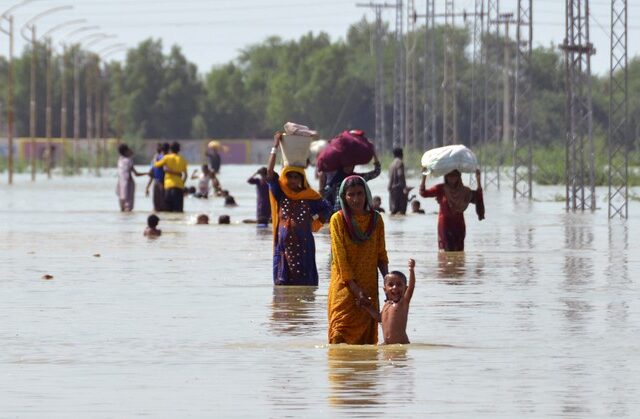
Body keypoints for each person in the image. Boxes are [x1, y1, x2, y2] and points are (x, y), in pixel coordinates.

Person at [328, 175, 389, 344]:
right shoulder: (337, 220)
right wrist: (355, 290)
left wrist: (388, 281)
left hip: (368, 287)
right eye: (351, 195)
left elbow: (381, 255)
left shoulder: (376, 220)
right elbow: (340, 259)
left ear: (366, 194)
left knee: (366, 343)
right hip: (345, 288)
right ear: (344, 198)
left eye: (360, 194)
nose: (356, 199)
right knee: (339, 334)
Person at [267, 132, 332, 286]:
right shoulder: (281, 194)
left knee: (305, 287)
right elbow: (270, 173)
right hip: (283, 248)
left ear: (302, 179)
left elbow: (327, 208)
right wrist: (275, 146)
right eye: (290, 176)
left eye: (296, 177)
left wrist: (313, 220)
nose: (293, 180)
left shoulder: (309, 196)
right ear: (285, 177)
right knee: (283, 290)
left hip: (304, 247)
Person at [419, 169, 485, 252]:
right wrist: (424, 177)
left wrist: (478, 180)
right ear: (445, 177)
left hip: (459, 226)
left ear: (458, 177)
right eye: (449, 176)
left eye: (454, 176)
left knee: (459, 254)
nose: (452, 178)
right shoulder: (441, 189)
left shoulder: (464, 191)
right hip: (445, 226)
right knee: (445, 254)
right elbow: (423, 193)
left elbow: (478, 197)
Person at [362, 259, 416, 345]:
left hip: (401, 345)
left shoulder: (402, 303)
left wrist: (411, 270)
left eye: (399, 284)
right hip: (387, 345)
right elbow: (380, 318)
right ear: (385, 289)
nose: (395, 287)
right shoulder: (386, 305)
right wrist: (367, 307)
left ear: (405, 288)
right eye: (391, 285)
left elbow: (411, 287)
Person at [154, 141, 188, 212]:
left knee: (168, 210)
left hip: (168, 186)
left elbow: (156, 165)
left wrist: (156, 157)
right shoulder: (183, 160)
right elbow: (185, 175)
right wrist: (182, 183)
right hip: (179, 187)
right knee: (178, 211)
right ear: (179, 150)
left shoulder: (166, 158)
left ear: (170, 149)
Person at [115, 143, 147, 212]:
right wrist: (147, 173)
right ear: (126, 151)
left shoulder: (120, 160)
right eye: (128, 149)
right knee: (128, 208)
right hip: (128, 185)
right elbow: (136, 174)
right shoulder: (128, 160)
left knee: (122, 207)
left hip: (120, 185)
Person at [145, 142, 169, 211]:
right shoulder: (156, 158)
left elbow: (151, 173)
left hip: (161, 182)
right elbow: (152, 173)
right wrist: (147, 187)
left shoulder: (159, 158)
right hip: (159, 182)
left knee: (159, 205)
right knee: (159, 205)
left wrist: (147, 187)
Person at [388, 147, 409, 215]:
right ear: (402, 154)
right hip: (399, 189)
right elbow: (400, 175)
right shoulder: (400, 163)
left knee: (393, 211)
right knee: (401, 212)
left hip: (391, 189)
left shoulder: (391, 164)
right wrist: (405, 188)